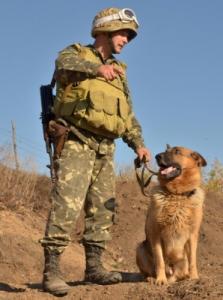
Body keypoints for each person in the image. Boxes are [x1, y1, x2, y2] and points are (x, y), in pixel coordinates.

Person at [40, 7, 151, 296]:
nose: (126, 39)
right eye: (123, 32)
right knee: (67, 205)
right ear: (105, 29)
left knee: (103, 210)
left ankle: (94, 267)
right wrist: (95, 69)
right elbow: (61, 64)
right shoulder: (76, 54)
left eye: (129, 35)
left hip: (106, 147)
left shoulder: (120, 73)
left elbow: (126, 115)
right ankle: (51, 270)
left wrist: (138, 144)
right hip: (77, 140)